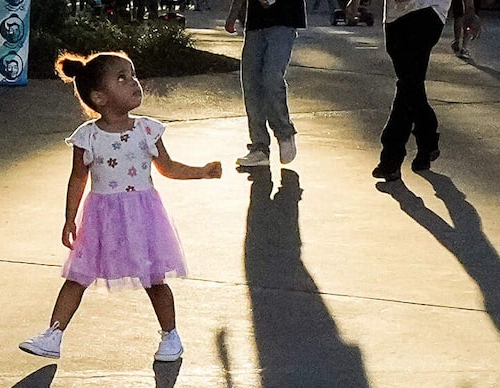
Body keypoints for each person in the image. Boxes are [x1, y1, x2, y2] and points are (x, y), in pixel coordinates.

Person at [17, 51, 218, 364]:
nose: (133, 83)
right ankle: (53, 334)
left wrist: (202, 171)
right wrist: (70, 219)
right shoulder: (87, 137)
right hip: (100, 217)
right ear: (100, 97)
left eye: (133, 75)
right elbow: (77, 180)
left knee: (154, 278)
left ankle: (171, 335)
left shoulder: (147, 130)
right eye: (122, 78)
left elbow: (168, 168)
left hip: (143, 216)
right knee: (78, 276)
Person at [375, 0, 472, 179]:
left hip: (427, 9)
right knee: (411, 84)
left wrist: (469, 10)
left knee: (408, 82)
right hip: (394, 14)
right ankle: (427, 138)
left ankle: (391, 158)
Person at [233, 0, 305, 171]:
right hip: (255, 23)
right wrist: (234, 11)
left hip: (284, 19)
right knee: (251, 82)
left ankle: (285, 133)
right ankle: (259, 147)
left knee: (271, 78)